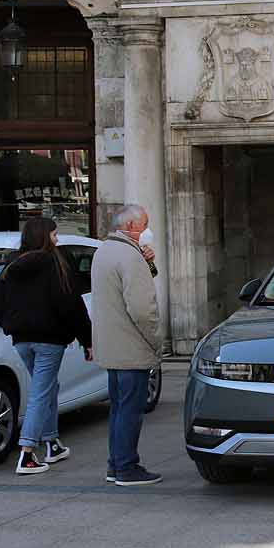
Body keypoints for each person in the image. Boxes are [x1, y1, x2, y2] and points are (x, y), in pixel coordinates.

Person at [0, 217, 93, 476]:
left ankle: (52, 443)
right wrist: (87, 339)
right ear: (45, 237)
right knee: (41, 392)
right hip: (50, 340)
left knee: (47, 388)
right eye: (55, 235)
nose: (57, 240)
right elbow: (71, 305)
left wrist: (10, 325)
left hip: (22, 340)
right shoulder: (55, 263)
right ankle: (27, 453)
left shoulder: (11, 265)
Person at [91, 204, 163, 486]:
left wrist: (148, 262)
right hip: (131, 346)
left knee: (119, 408)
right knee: (130, 411)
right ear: (132, 227)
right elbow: (142, 309)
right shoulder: (130, 257)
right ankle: (126, 467)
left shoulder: (106, 251)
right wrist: (156, 340)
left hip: (112, 345)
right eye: (145, 223)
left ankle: (115, 464)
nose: (148, 230)